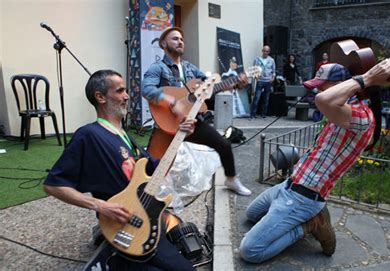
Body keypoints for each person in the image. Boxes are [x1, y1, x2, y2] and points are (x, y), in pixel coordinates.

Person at [239, 60, 390, 263]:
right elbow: (325, 100)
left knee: (250, 251)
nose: (316, 91)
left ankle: (309, 224)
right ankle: (287, 218)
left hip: (304, 197)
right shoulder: (342, 109)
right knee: (252, 214)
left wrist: (367, 79)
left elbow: (323, 100)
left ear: (343, 85)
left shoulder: (362, 117)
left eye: (322, 85)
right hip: (288, 186)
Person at [43, 70, 197, 270]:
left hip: (146, 221)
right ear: (100, 97)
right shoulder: (89, 135)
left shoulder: (125, 136)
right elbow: (53, 185)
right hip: (119, 224)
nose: (127, 96)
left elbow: (159, 170)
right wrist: (100, 206)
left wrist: (180, 137)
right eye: (120, 91)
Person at [142, 27, 251, 196]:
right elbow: (146, 89)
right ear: (163, 44)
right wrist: (172, 101)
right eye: (175, 39)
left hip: (193, 121)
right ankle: (144, 195)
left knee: (224, 145)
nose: (180, 42)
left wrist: (236, 83)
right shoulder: (158, 68)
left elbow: (210, 86)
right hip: (167, 124)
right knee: (153, 165)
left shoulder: (190, 68)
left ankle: (231, 179)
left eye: (181, 39)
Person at [249, 45, 276, 119]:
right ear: (262, 51)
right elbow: (253, 70)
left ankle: (263, 114)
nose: (265, 52)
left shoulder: (271, 60)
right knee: (256, 98)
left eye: (267, 51)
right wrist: (255, 78)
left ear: (269, 52)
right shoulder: (257, 59)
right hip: (260, 81)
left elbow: (273, 71)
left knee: (266, 99)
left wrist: (273, 78)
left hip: (268, 81)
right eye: (264, 51)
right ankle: (253, 115)